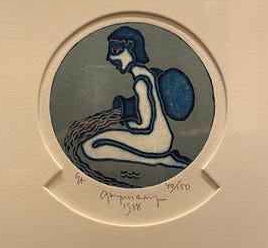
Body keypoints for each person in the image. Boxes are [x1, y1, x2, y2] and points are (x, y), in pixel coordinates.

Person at [81, 26, 191, 168]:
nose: (109, 58)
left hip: (154, 140)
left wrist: (126, 121)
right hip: (161, 138)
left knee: (90, 147)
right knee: (95, 143)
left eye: (115, 51)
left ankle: (159, 159)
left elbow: (144, 126)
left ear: (130, 46)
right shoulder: (146, 74)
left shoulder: (141, 81)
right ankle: (160, 158)